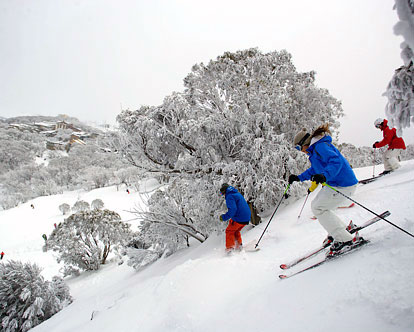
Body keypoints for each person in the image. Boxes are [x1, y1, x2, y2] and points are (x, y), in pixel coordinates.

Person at [289, 124, 365, 254]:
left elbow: (336, 162)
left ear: (304, 143)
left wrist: (325, 175)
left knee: (318, 208)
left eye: (298, 147)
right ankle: (338, 230)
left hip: (343, 184)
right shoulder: (315, 150)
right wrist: (298, 178)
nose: (300, 151)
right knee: (318, 206)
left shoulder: (320, 147)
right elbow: (314, 170)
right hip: (337, 184)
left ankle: (344, 239)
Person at [219, 183, 251, 252]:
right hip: (246, 217)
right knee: (235, 231)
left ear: (224, 191)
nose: (223, 195)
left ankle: (230, 249)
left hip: (239, 218)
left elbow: (233, 209)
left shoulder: (229, 196)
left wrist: (224, 217)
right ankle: (239, 246)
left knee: (229, 231)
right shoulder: (237, 194)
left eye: (222, 193)